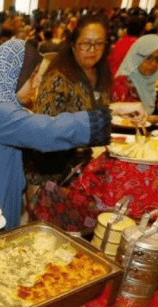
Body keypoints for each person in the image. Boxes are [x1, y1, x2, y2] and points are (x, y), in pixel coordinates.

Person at [0, 40, 135, 229]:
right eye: (32, 76)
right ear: (14, 76)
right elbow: (48, 131)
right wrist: (112, 111)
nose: (38, 81)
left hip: (1, 195)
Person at [24, 14, 113, 197]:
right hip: (53, 174)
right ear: (73, 45)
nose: (92, 49)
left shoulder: (101, 73)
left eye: (99, 43)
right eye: (86, 43)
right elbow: (43, 130)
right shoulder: (58, 77)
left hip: (86, 169)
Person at [111, 35, 158, 114]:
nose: (153, 64)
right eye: (148, 58)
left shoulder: (146, 81)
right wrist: (156, 119)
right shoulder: (122, 83)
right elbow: (125, 119)